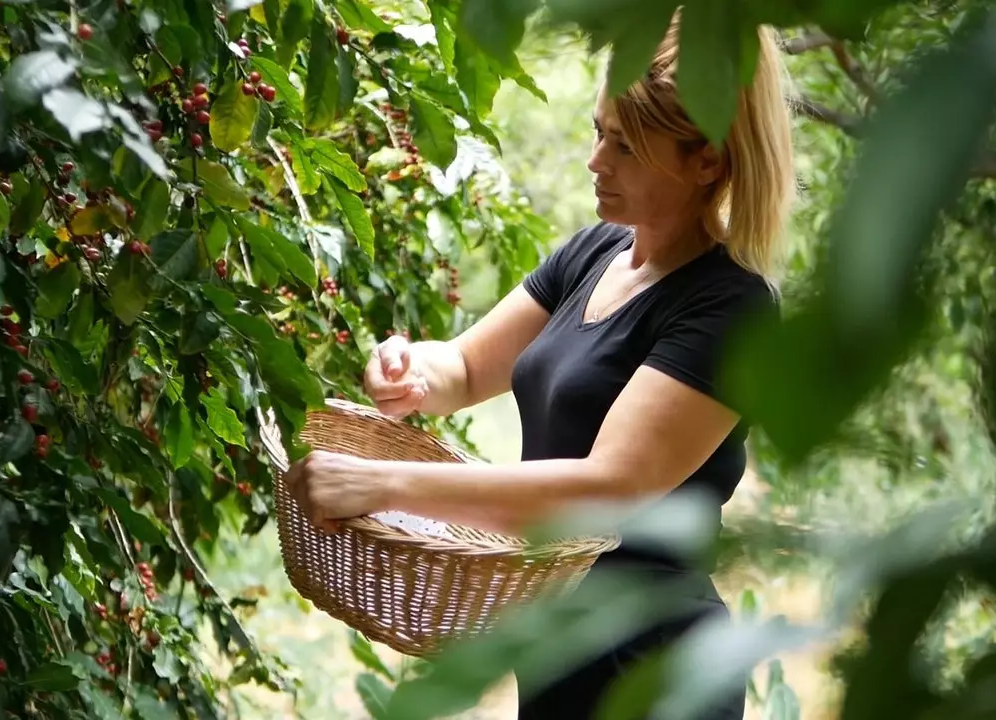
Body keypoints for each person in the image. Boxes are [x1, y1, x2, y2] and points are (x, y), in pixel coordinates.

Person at [283, 16, 795, 720]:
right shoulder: (594, 253)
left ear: (706, 160)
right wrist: (409, 368)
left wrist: (382, 484)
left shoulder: (729, 306)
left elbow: (608, 486)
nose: (596, 160)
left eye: (626, 146)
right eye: (597, 132)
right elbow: (464, 366)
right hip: (558, 647)